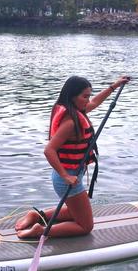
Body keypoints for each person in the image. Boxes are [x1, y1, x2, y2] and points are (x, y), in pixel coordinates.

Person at [15, 75, 131, 238]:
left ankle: (37, 216)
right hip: (67, 178)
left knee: (74, 210)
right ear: (72, 96)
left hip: (72, 175)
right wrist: (65, 176)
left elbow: (96, 103)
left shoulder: (76, 110)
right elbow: (49, 150)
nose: (88, 100)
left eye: (89, 95)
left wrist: (114, 86)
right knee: (85, 226)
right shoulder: (70, 122)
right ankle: (40, 231)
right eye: (85, 96)